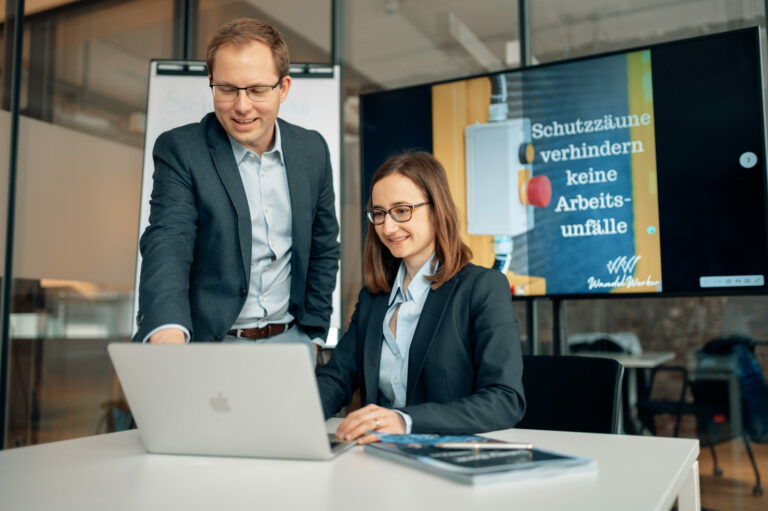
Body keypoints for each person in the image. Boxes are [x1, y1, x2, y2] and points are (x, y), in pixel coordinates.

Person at [133, 18, 339, 353]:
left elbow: (323, 245)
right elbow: (169, 242)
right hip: (206, 344)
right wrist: (168, 331)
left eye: (257, 90)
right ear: (211, 82)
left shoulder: (312, 149)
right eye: (227, 89)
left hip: (290, 343)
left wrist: (314, 334)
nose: (241, 106)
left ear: (284, 88)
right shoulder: (182, 150)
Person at [316, 152, 525, 444]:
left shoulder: (483, 287)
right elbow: (337, 378)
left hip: (450, 458)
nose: (387, 227)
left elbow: (505, 400)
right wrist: (296, 414)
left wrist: (405, 421)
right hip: (379, 458)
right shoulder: (374, 298)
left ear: (437, 210)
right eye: (379, 213)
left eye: (402, 210)